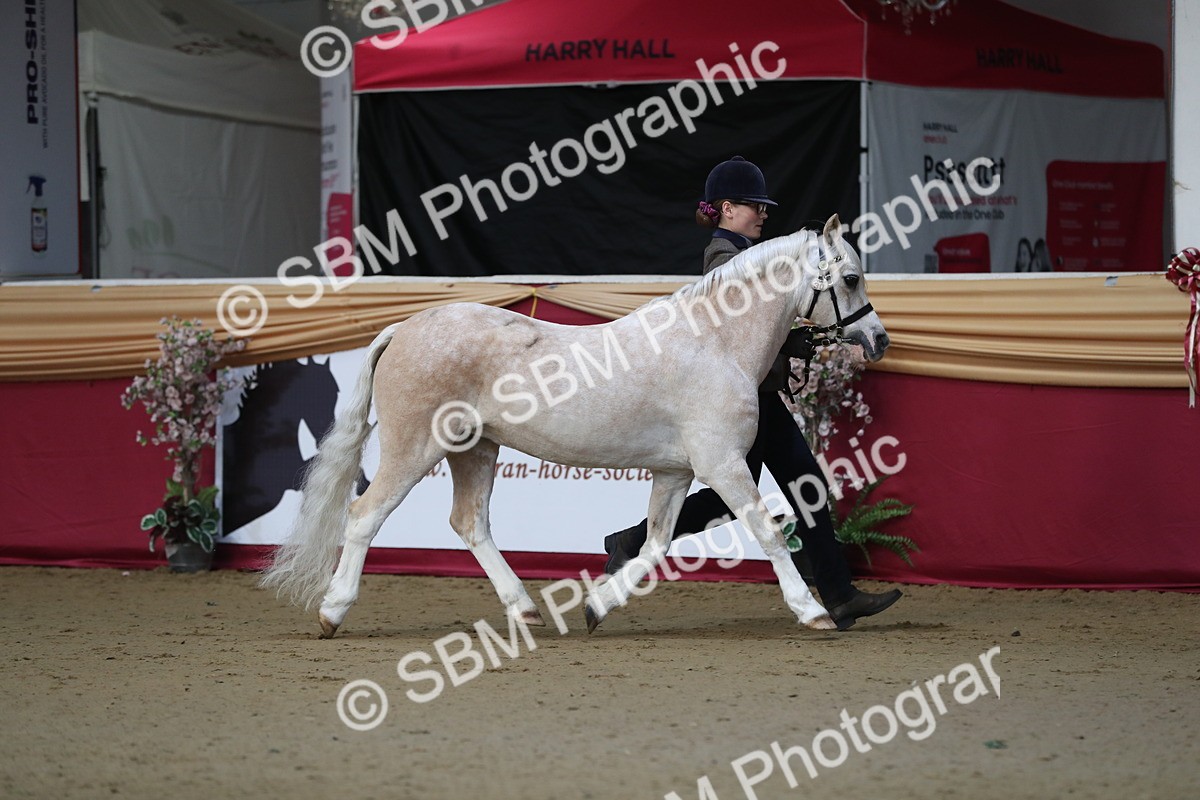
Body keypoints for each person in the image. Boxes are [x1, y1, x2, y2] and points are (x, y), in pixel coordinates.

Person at [601, 156, 902, 631]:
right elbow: (740, 331)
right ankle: (634, 542)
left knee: (806, 485)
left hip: (758, 396)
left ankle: (839, 594)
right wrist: (792, 339)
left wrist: (805, 336)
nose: (763, 213)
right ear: (725, 209)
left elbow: (768, 329)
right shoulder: (724, 258)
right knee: (736, 498)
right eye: (753, 205)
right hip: (736, 401)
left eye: (763, 206)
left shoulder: (756, 254)